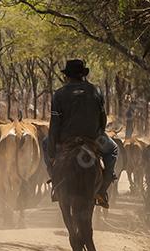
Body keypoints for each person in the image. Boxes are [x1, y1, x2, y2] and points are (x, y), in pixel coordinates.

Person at [47, 58, 118, 208]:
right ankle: (102, 190)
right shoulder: (95, 91)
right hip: (94, 138)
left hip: (66, 139)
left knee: (44, 143)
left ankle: (55, 183)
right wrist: (98, 135)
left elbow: (54, 125)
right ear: (83, 75)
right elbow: (102, 119)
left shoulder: (58, 94)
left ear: (67, 76)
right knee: (113, 150)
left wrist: (53, 154)